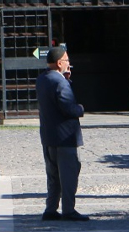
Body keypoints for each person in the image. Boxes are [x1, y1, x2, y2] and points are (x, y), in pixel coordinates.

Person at [36, 45, 89, 221]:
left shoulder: (42, 79)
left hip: (49, 136)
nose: (69, 63)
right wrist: (80, 108)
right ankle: (68, 209)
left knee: (53, 176)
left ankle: (50, 208)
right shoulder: (60, 82)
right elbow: (68, 108)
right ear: (59, 63)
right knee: (68, 175)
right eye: (66, 60)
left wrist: (67, 80)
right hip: (65, 137)